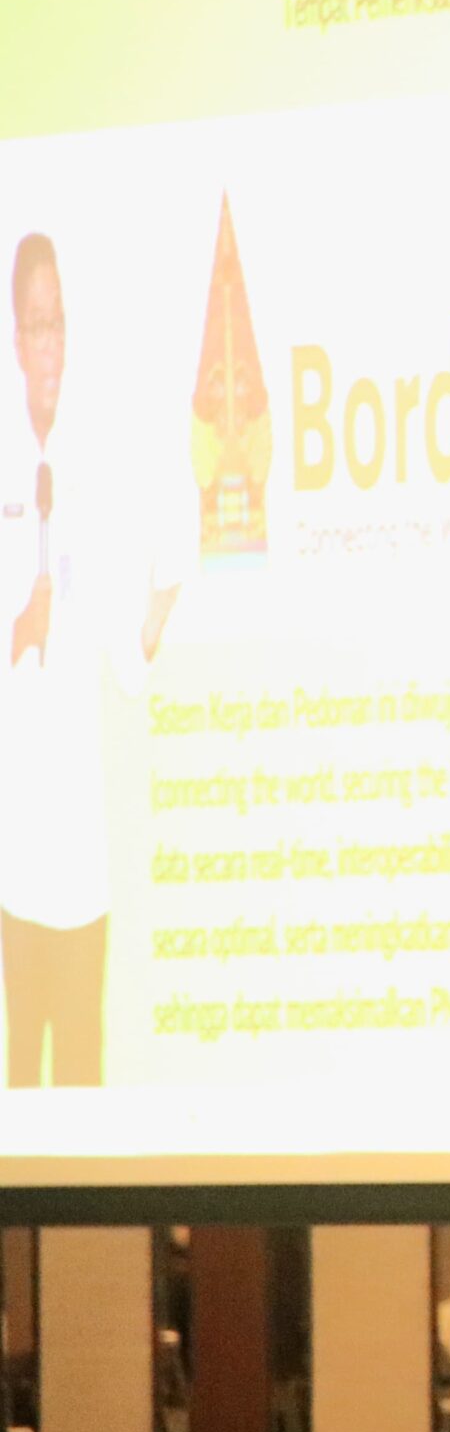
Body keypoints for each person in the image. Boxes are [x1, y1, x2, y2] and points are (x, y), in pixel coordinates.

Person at [0, 234, 180, 1087]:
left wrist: (159, 607)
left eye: (60, 324)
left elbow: (125, 659)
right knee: (16, 1095)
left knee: (79, 1093)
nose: (50, 345)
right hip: (11, 859)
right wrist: (16, 633)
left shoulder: (94, 471)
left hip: (79, 861)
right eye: (37, 325)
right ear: (15, 336)